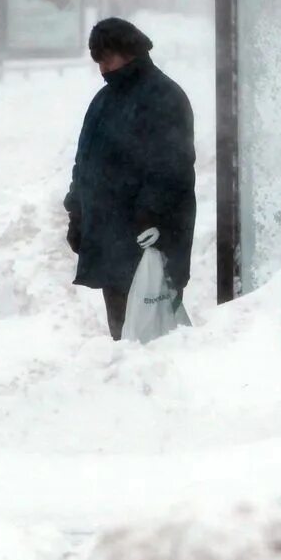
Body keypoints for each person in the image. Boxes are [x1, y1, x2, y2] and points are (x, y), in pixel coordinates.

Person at [64, 18, 196, 341]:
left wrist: (152, 215)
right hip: (111, 238)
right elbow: (85, 161)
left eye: (108, 58)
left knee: (152, 332)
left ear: (130, 51)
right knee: (123, 330)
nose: (103, 68)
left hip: (149, 237)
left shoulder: (164, 97)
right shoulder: (103, 101)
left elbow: (172, 166)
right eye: (98, 61)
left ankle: (159, 388)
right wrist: (77, 212)